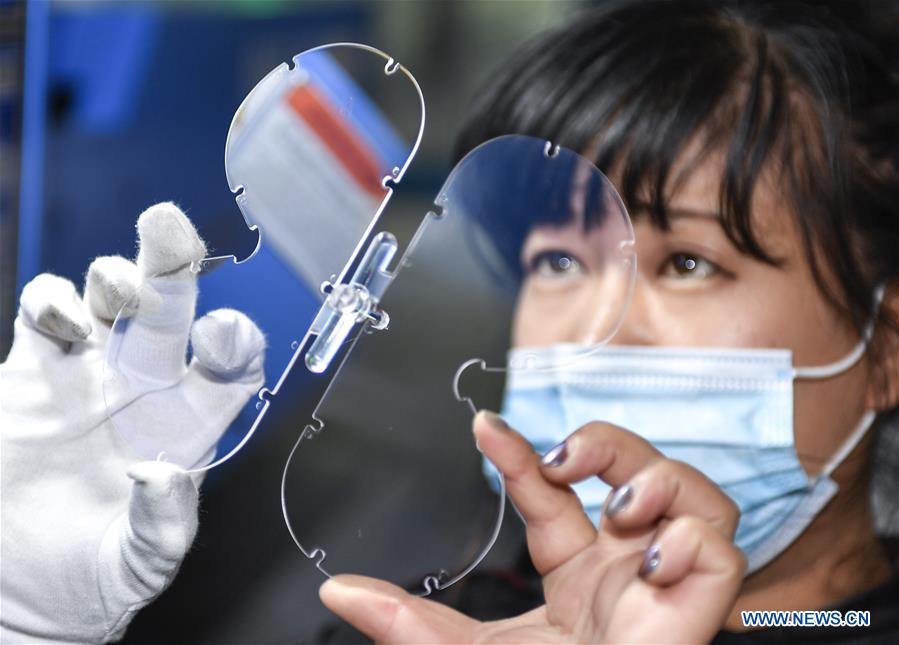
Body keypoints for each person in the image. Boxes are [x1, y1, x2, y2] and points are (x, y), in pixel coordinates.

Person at [2, 0, 897, 643]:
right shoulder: (422, 622)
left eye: (688, 262)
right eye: (559, 260)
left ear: (885, 348)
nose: (598, 323)